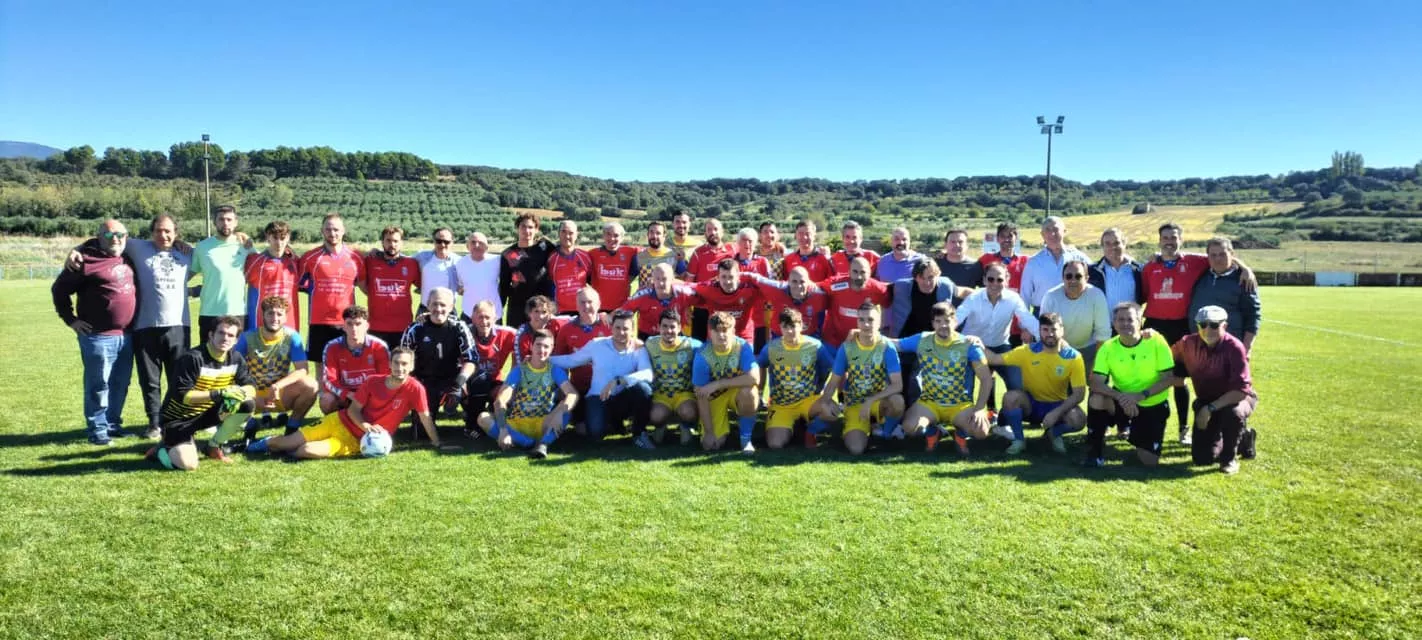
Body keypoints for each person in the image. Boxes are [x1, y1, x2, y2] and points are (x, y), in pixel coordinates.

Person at [73, 214, 191, 440]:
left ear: (176, 233)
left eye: (168, 231)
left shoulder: (188, 253)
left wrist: (242, 238)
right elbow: (106, 236)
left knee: (178, 379)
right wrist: (76, 249)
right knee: (150, 381)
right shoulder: (138, 247)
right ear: (152, 232)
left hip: (178, 326)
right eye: (158, 230)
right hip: (145, 327)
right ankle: (155, 424)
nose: (163, 235)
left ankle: (176, 421)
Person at [1143, 222, 1256, 444]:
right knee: (1150, 376)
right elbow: (1143, 295)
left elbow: (1223, 257)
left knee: (1179, 380)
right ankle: (1141, 424)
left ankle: (1184, 428)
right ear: (1159, 241)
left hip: (1183, 326)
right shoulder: (1149, 268)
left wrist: (1246, 268)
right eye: (1165, 237)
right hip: (1155, 326)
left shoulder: (1195, 262)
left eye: (1173, 237)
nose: (1169, 241)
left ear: (1181, 240)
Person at [247, 347, 447, 459]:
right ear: (390, 364)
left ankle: (283, 447)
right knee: (285, 442)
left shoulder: (415, 389)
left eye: (405, 364)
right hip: (339, 421)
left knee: (304, 451)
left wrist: (437, 443)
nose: (400, 368)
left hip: (355, 441)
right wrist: (366, 425)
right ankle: (253, 446)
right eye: (396, 363)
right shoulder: (373, 381)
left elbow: (425, 417)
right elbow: (353, 411)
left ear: (411, 366)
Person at [52, 219, 137, 445]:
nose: (115, 239)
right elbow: (59, 290)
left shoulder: (129, 256)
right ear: (99, 237)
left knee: (120, 383)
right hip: (97, 337)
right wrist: (71, 320)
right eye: (109, 236)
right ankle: (97, 430)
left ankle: (112, 424)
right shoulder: (85, 261)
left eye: (120, 234)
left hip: (127, 336)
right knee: (98, 385)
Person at [147, 315, 256, 468]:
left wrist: (240, 392)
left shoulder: (236, 359)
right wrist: (220, 393)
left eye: (230, 335)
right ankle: (161, 450)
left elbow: (251, 386)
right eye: (221, 333)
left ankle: (213, 446)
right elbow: (184, 396)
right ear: (211, 335)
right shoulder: (192, 358)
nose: (225, 338)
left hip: (206, 415)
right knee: (189, 465)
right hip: (179, 420)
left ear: (236, 340)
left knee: (247, 404)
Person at [1163, 305, 1259, 474]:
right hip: (1207, 401)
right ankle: (1243, 438)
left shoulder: (1235, 347)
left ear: (1225, 326)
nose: (1208, 329)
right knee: (1202, 458)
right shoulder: (1187, 343)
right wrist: (1149, 337)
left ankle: (1229, 459)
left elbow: (1241, 391)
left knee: (1233, 413)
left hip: (1236, 399)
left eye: (1214, 325)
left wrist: (1209, 408)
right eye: (1203, 324)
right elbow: (1165, 355)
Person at [974, 313, 1087, 455]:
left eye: (1054, 329)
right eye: (1045, 330)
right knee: (1011, 397)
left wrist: (1056, 412)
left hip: (1057, 405)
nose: (1050, 334)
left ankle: (1054, 434)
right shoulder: (1027, 351)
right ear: (1039, 331)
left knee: (1079, 419)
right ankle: (1019, 440)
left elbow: (1079, 394)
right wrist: (976, 343)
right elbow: (994, 358)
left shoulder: (1073, 357)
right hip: (1031, 405)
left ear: (1062, 330)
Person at [888, 303, 992, 455]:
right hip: (930, 403)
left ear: (955, 321)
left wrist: (979, 409)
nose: (943, 325)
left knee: (981, 432)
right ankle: (933, 431)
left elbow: (986, 379)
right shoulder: (923, 339)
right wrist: (867, 334)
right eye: (938, 321)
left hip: (959, 405)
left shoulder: (969, 344)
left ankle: (960, 434)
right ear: (933, 323)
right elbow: (895, 344)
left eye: (947, 321)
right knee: (910, 428)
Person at [1086, 303, 1176, 468]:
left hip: (1151, 403)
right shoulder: (1108, 347)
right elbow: (1095, 383)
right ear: (1114, 323)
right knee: (1097, 399)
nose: (1125, 323)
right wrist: (1122, 398)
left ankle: (1135, 434)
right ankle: (1094, 452)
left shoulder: (1156, 341)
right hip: (1122, 400)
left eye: (1130, 319)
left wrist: (1140, 396)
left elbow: (1168, 378)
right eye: (1120, 319)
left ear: (1140, 321)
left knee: (1149, 462)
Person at [550, 310, 656, 446]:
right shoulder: (597, 344)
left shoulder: (638, 348)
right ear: (611, 328)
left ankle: (639, 433)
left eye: (626, 329)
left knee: (643, 389)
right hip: (597, 397)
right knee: (595, 433)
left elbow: (647, 374)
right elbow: (571, 360)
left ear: (632, 330)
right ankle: (613, 423)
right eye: (617, 328)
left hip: (623, 398)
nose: (621, 332)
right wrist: (543, 360)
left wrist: (619, 380)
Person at [815, 303, 904, 455]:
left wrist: (871, 400)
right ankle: (858, 424)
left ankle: (885, 430)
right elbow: (833, 382)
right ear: (857, 322)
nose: (866, 324)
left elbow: (897, 385)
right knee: (856, 449)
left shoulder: (886, 346)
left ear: (879, 322)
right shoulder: (847, 347)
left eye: (871, 319)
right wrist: (824, 403)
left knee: (897, 402)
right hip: (855, 403)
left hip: (877, 402)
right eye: (861, 320)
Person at [477, 329, 580, 459]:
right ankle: (529, 444)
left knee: (566, 411)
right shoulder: (520, 370)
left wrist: (560, 411)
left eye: (546, 346)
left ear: (552, 348)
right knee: (483, 418)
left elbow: (572, 394)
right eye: (538, 345)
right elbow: (501, 400)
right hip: (516, 424)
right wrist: (503, 430)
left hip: (542, 424)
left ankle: (543, 444)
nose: (542, 350)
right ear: (531, 346)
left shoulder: (555, 370)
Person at [955, 262, 1039, 411]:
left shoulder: (1014, 298)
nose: (995, 283)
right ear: (984, 280)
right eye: (991, 279)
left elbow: (1028, 320)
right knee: (965, 386)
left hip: (1000, 346)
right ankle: (965, 422)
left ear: (1007, 280)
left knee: (1016, 382)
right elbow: (956, 319)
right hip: (971, 347)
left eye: (999, 280)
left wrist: (1049, 338)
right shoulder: (974, 298)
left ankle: (1005, 421)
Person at [234, 296, 318, 439]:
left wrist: (277, 386)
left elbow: (302, 370)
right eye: (270, 313)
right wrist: (250, 393)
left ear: (285, 317)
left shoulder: (292, 336)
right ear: (263, 316)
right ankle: (249, 425)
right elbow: (232, 368)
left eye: (279, 314)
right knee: (226, 391)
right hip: (252, 394)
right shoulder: (247, 337)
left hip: (279, 395)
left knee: (311, 385)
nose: (275, 318)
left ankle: (292, 427)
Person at [399, 288, 475, 440]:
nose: (438, 309)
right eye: (434, 304)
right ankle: (425, 413)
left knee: (479, 381)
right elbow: (403, 362)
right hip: (424, 381)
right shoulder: (415, 328)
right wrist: (414, 388)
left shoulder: (459, 327)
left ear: (452, 307)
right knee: (421, 435)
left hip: (451, 379)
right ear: (427, 305)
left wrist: (459, 383)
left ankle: (472, 421)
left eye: (443, 305)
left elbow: (471, 360)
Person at [888, 260, 961, 406]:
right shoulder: (902, 286)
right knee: (900, 377)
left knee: (919, 378)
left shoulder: (945, 286)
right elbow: (879, 288)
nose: (927, 282)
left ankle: (920, 413)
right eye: (922, 277)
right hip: (904, 340)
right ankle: (900, 414)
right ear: (915, 277)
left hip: (931, 342)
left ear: (938, 275)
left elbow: (962, 291)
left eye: (931, 277)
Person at [759, 309, 834, 449]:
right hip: (782, 404)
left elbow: (829, 369)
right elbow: (760, 366)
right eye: (785, 327)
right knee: (775, 444)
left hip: (808, 400)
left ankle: (809, 432)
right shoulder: (771, 347)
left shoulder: (815, 346)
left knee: (832, 410)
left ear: (801, 326)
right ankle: (795, 425)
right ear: (779, 328)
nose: (790, 331)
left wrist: (820, 387)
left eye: (793, 326)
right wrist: (760, 391)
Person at [692, 311, 761, 454]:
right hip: (714, 397)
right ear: (710, 332)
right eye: (717, 331)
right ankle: (720, 431)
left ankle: (745, 439)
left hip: (735, 391)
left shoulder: (742, 347)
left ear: (733, 331)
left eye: (725, 330)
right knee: (711, 445)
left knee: (750, 392)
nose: (721, 335)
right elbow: (701, 394)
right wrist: (709, 432)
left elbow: (755, 378)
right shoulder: (703, 354)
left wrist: (718, 384)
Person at [299, 213, 364, 364]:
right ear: (322, 231)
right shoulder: (310, 258)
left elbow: (365, 287)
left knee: (347, 364)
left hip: (346, 321)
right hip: (318, 321)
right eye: (328, 229)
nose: (332, 233)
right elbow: (297, 283)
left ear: (343, 231)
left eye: (336, 229)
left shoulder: (356, 258)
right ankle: (321, 389)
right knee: (320, 366)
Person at [1188, 237, 1261, 354]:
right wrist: (1158, 255)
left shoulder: (1244, 280)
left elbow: (1253, 316)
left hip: (1229, 347)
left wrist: (1247, 348)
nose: (1218, 259)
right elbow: (1177, 254)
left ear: (1232, 254)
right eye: (1213, 255)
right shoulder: (1201, 274)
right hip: (1199, 346)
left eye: (1222, 254)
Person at [554, 287, 612, 428]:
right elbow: (560, 362)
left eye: (590, 302)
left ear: (598, 304)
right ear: (576, 305)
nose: (586, 306)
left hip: (605, 388)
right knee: (582, 430)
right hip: (579, 388)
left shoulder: (610, 324)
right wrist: (564, 388)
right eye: (582, 302)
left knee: (599, 429)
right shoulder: (567, 330)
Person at [192, 205, 253, 340]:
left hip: (237, 313)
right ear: (214, 222)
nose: (225, 223)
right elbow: (189, 274)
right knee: (207, 358)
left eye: (229, 219)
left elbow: (265, 262)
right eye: (221, 219)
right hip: (209, 313)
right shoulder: (202, 247)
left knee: (237, 358)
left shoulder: (245, 245)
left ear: (236, 222)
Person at [1039, 259, 1110, 373]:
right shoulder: (1051, 296)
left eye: (1078, 276)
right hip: (1059, 348)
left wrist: (1096, 368)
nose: (1073, 280)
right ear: (1063, 278)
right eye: (1068, 276)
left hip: (1090, 349)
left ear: (1086, 278)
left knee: (1098, 385)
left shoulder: (1097, 295)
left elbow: (1103, 334)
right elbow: (1045, 332)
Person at [318, 305, 392, 414]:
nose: (354, 329)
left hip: (371, 395)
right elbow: (329, 380)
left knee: (389, 396)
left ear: (366, 326)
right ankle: (336, 425)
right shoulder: (332, 347)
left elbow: (385, 377)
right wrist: (348, 394)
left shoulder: (379, 346)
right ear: (343, 326)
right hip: (346, 395)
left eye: (358, 324)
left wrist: (366, 396)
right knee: (326, 400)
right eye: (349, 324)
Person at [644, 309, 702, 445]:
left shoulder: (691, 345)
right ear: (658, 327)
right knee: (656, 416)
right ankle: (660, 426)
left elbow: (709, 349)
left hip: (684, 394)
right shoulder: (650, 344)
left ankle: (686, 426)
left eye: (672, 327)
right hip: (661, 394)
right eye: (664, 326)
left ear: (680, 328)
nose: (668, 331)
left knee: (688, 412)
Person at [462, 300, 517, 438]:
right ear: (473, 318)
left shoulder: (508, 333)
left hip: (494, 383)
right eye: (480, 317)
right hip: (471, 384)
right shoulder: (464, 332)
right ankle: (471, 424)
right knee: (480, 379)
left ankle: (495, 418)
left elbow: (526, 336)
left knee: (510, 395)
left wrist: (512, 382)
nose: (484, 321)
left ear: (495, 318)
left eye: (487, 317)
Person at [364, 225, 421, 347]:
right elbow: (352, 253)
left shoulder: (411, 264)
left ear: (402, 243)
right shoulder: (370, 261)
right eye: (388, 240)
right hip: (376, 326)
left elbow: (423, 286)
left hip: (403, 326)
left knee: (400, 364)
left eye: (396, 241)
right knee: (378, 365)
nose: (392, 244)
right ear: (382, 242)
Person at [1020, 216, 1090, 311]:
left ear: (1064, 231)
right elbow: (1025, 295)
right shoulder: (1033, 262)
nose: (1052, 234)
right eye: (1047, 230)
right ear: (1042, 234)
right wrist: (1025, 322)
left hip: (1074, 312)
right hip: (1042, 315)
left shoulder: (1080, 258)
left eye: (1056, 229)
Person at [820, 256, 889, 350]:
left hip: (862, 344)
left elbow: (888, 307)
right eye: (855, 272)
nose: (859, 276)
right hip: (833, 342)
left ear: (870, 273)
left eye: (863, 272)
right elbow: (812, 289)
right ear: (849, 271)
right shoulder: (836, 285)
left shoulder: (878, 289)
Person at [499, 213, 555, 328]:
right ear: (517, 228)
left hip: (542, 307)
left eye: (530, 227)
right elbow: (504, 284)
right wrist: (499, 310)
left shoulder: (545, 247)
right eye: (523, 226)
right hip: (517, 308)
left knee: (542, 342)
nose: (526, 230)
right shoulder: (508, 254)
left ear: (537, 229)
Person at [243, 220, 300, 332]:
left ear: (288, 238)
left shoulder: (295, 262)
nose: (279, 243)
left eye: (282, 238)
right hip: (260, 324)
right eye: (275, 238)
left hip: (289, 325)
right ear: (268, 237)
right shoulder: (255, 261)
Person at [688, 259, 762, 344]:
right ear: (718, 277)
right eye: (723, 277)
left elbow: (775, 290)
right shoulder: (708, 288)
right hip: (716, 338)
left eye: (731, 277)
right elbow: (681, 288)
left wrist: (753, 277)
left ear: (738, 277)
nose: (727, 281)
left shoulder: (750, 290)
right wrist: (686, 305)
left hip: (743, 338)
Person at [747, 266, 829, 340]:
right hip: (779, 337)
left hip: (808, 338)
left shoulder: (819, 295)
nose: (798, 286)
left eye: (802, 282)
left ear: (809, 282)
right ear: (788, 281)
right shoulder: (776, 289)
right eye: (794, 281)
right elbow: (753, 277)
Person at [686, 218, 736, 338]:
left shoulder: (732, 251)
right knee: (699, 344)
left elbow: (750, 252)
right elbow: (688, 283)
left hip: (725, 306)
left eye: (715, 229)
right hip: (701, 307)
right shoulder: (698, 253)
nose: (713, 232)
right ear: (705, 234)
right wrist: (686, 306)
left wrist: (777, 246)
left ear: (722, 232)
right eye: (709, 230)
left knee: (725, 341)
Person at [620, 263, 698, 339]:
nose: (661, 283)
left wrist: (688, 306)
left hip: (674, 333)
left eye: (664, 279)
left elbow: (704, 298)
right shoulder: (642, 294)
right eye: (657, 279)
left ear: (672, 279)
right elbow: (623, 312)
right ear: (652, 279)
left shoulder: (684, 292)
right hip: (648, 335)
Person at [1087, 228, 1145, 319]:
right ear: (1102, 246)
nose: (1112, 247)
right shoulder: (1091, 271)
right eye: (1107, 244)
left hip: (1130, 326)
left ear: (1124, 244)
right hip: (1103, 327)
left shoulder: (1139, 270)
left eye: (1116, 243)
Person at [589, 221, 639, 312]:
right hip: (599, 308)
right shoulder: (593, 254)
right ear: (603, 236)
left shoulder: (630, 252)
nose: (612, 238)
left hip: (622, 307)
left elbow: (650, 253)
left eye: (616, 235)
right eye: (608, 234)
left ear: (622, 237)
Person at [454, 231, 502, 323]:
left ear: (487, 247)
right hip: (469, 315)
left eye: (481, 243)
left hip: (493, 315)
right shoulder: (460, 263)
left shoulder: (497, 261)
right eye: (473, 242)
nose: (477, 245)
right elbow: (460, 287)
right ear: (467, 246)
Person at [546, 219, 593, 314]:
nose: (567, 236)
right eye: (563, 232)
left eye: (571, 233)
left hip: (581, 310)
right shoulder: (551, 258)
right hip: (559, 312)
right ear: (558, 233)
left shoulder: (585, 256)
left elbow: (592, 281)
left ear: (576, 235)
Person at [413, 227, 461, 311]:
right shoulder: (422, 257)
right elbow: (402, 260)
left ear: (452, 242)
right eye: (439, 241)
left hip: (448, 311)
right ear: (434, 241)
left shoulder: (459, 262)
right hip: (424, 309)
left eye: (446, 242)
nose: (442, 245)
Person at [513, 295, 570, 364]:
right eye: (536, 311)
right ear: (529, 313)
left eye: (544, 312)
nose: (541, 316)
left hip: (555, 367)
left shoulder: (557, 324)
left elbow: (577, 320)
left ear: (550, 314)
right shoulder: (522, 334)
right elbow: (522, 364)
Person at [976, 221, 1028, 293]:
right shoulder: (986, 259)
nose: (1006, 239)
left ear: (1016, 238)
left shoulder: (1025, 260)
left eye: (1010, 236)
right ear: (997, 239)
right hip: (992, 302)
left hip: (1017, 302)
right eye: (1002, 236)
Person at [634, 221, 685, 287]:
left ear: (664, 236)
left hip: (667, 296)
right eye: (651, 232)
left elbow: (684, 280)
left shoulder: (675, 256)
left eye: (658, 233)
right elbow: (628, 281)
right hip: (645, 296)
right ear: (647, 234)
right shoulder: (638, 256)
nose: (654, 236)